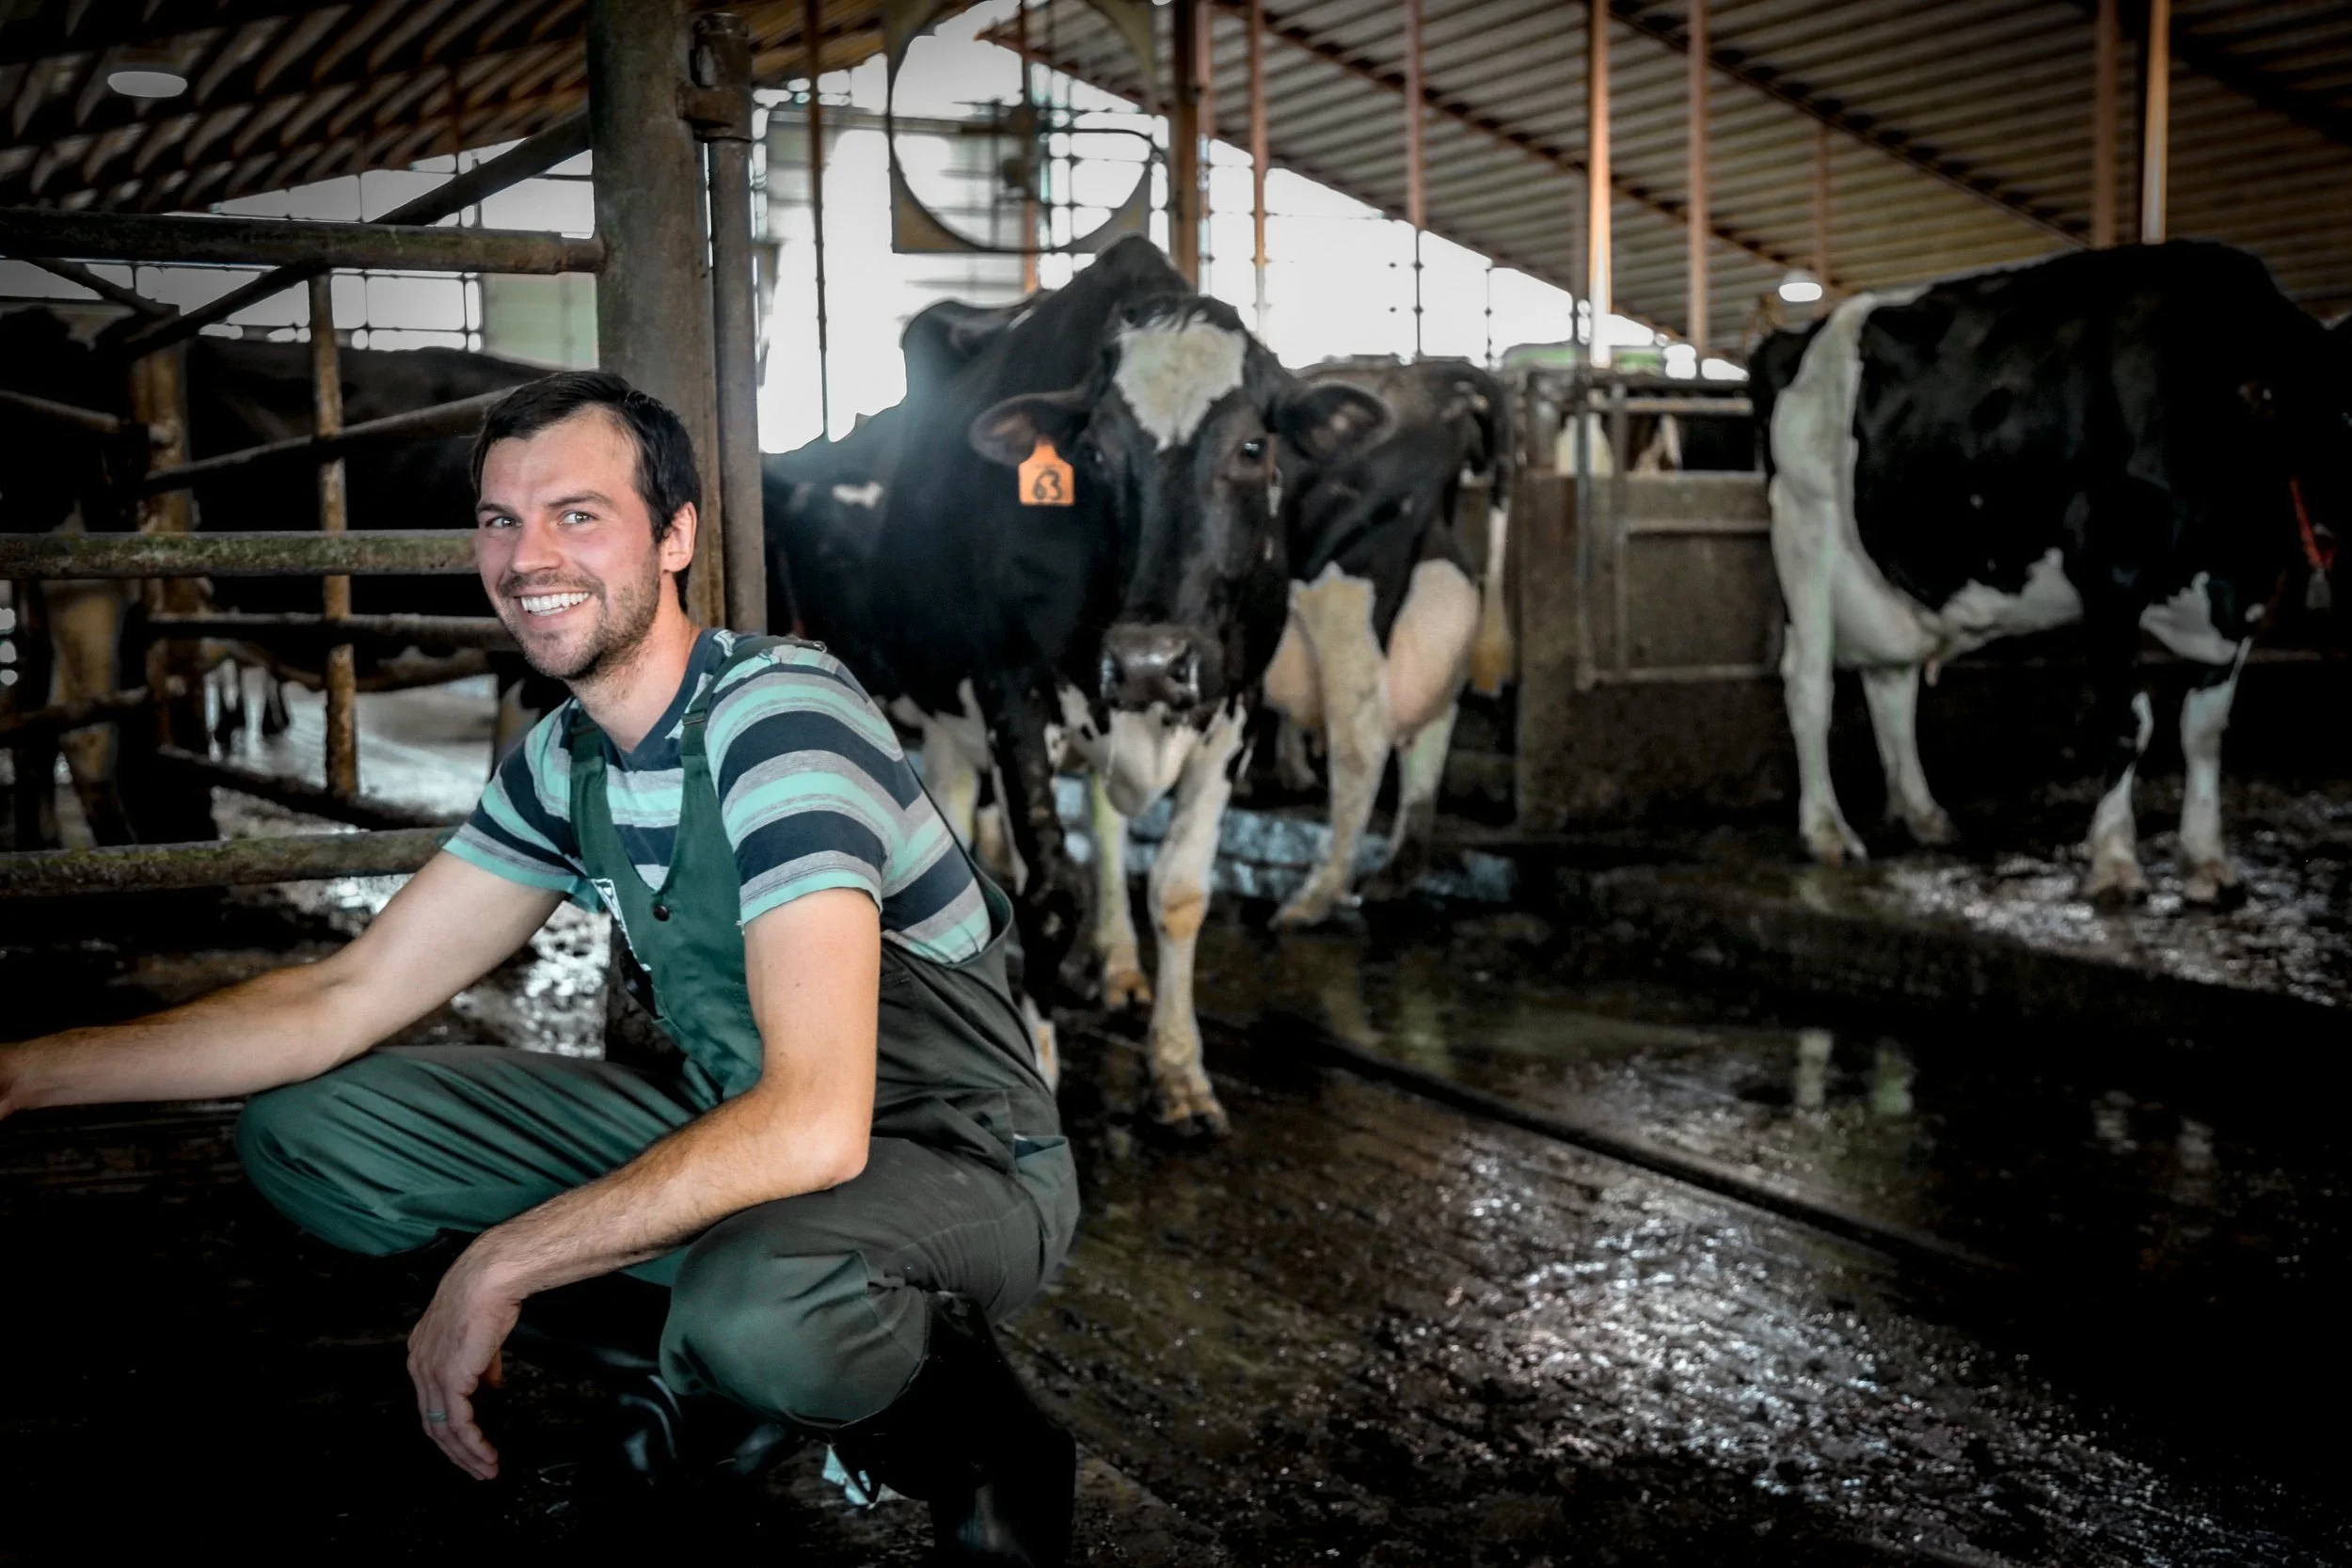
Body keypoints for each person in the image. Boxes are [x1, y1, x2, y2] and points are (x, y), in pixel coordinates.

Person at [0, 371, 1082, 1566]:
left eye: (578, 513)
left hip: (956, 1161)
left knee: (757, 1298)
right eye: (500, 519)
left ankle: (981, 1438)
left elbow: (818, 1127)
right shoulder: (564, 757)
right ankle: (716, 1373)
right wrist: (21, 1074)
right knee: (313, 1134)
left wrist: (498, 1263)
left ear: (673, 536)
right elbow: (342, 996)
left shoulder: (780, 716)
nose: (526, 556)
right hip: (739, 1134)